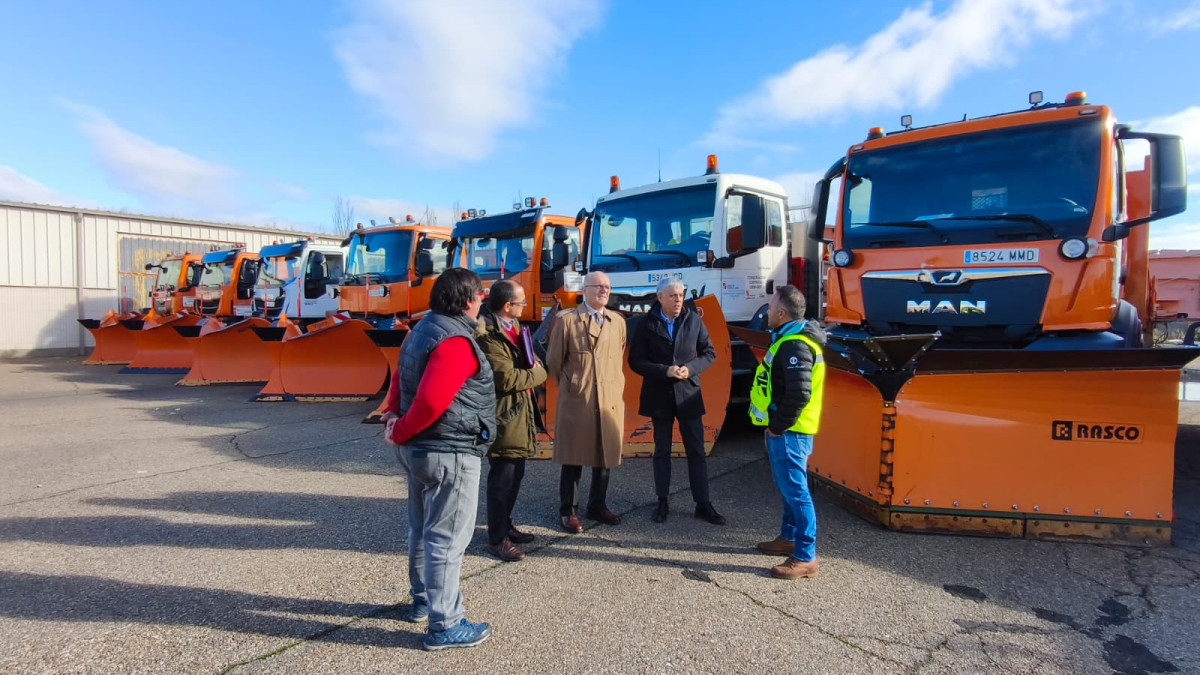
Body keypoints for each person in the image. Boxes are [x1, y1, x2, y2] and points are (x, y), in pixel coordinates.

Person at [381, 267, 497, 650]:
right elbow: (432, 400)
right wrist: (399, 427)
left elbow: (400, 378)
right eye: (480, 294)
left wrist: (394, 417)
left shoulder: (423, 330)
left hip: (420, 451)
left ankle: (422, 601)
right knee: (446, 540)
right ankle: (445, 624)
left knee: (421, 529)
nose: (483, 300)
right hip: (449, 453)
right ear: (466, 300)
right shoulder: (455, 342)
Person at [628, 277, 723, 525]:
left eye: (680, 295)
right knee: (662, 450)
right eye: (672, 296)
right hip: (659, 393)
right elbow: (635, 361)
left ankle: (703, 503)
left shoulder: (693, 319)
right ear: (660, 298)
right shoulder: (646, 323)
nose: (678, 299)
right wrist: (664, 371)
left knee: (696, 450)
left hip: (688, 392)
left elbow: (709, 353)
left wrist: (689, 369)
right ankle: (662, 502)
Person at [748, 285, 827, 580]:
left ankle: (805, 556)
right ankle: (788, 537)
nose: (767, 312)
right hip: (789, 430)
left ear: (782, 313)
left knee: (797, 492)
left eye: (770, 307)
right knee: (789, 489)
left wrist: (777, 426)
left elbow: (799, 393)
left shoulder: (795, 345)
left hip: (791, 431)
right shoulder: (788, 338)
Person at [546, 270, 626, 532]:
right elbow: (554, 362)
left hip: (609, 398)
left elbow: (617, 356)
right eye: (599, 286)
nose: (604, 291)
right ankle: (568, 510)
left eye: (608, 287)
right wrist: (575, 385)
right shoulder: (568, 321)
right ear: (585, 290)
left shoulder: (617, 322)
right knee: (573, 456)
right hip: (578, 398)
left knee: (605, 454)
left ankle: (597, 504)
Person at [477, 279, 546, 562]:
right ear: (507, 306)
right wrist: (540, 375)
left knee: (516, 474)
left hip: (519, 412)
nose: (524, 306)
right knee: (501, 480)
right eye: (521, 302)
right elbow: (505, 379)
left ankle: (506, 525)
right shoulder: (489, 336)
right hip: (503, 414)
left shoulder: (513, 327)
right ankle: (496, 538)